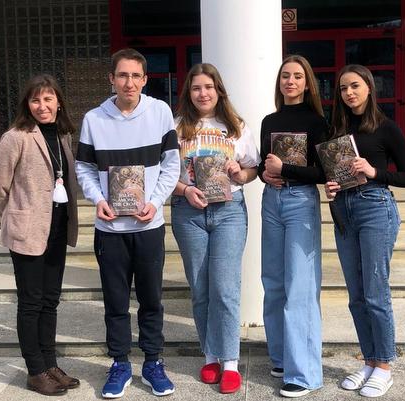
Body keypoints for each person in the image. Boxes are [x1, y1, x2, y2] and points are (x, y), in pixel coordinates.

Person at [75, 48, 180, 399]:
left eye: (136, 76)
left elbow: (171, 165)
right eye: (122, 75)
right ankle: (119, 363)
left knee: (151, 299)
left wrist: (155, 202)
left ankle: (152, 362)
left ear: (145, 80)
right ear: (111, 79)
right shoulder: (94, 119)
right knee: (116, 301)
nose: (129, 83)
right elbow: (84, 168)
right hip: (110, 230)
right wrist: (98, 199)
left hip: (148, 226)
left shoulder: (160, 112)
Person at [325, 64, 405, 398]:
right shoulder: (337, 130)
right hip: (344, 209)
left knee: (376, 293)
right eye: (343, 88)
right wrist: (331, 187)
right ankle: (369, 361)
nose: (349, 93)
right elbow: (333, 173)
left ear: (368, 87)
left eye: (355, 86)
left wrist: (375, 171)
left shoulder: (386, 127)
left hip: (375, 207)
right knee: (356, 296)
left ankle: (385, 367)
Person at [0, 74, 80, 396]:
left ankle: (50, 364)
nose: (42, 105)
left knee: (50, 300)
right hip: (27, 231)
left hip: (57, 229)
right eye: (35, 100)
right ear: (27, 104)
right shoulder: (16, 137)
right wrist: (13, 215)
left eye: (48, 99)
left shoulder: (63, 135)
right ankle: (35, 370)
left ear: (58, 102)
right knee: (31, 302)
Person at [170, 63, 260, 394]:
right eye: (196, 88)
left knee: (225, 288)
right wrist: (184, 190)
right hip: (188, 212)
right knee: (200, 288)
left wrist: (240, 173)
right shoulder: (176, 127)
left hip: (229, 211)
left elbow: (252, 169)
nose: (203, 93)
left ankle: (231, 361)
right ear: (188, 93)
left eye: (208, 87)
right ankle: (210, 356)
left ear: (219, 90)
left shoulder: (236, 126)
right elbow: (163, 175)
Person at [258, 55, 329, 398]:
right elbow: (263, 164)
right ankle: (282, 357)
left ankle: (304, 374)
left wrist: (285, 169)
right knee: (273, 282)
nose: (290, 81)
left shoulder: (317, 122)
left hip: (300, 201)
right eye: (285, 75)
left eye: (297, 76)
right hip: (271, 201)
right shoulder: (269, 121)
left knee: (300, 285)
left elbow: (324, 172)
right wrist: (265, 174)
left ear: (307, 83)